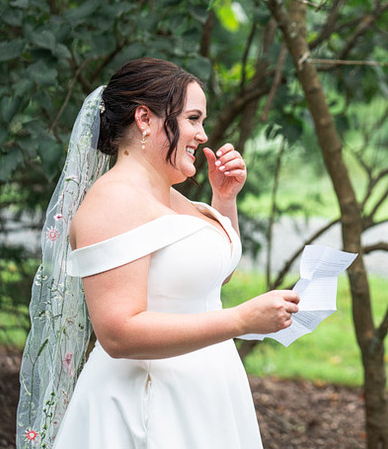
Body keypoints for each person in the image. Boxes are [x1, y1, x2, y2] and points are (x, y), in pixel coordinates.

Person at [16, 57, 300, 448]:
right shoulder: (113, 203)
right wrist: (239, 321)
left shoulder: (169, 195)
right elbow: (118, 333)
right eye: (193, 119)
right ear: (145, 119)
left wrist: (224, 198)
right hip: (148, 403)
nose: (202, 135)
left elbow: (204, 278)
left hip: (206, 393)